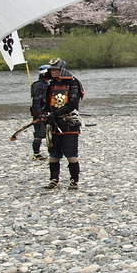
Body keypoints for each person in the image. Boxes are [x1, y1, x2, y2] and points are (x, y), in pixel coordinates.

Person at [40, 58, 84, 190]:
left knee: (71, 154)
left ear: (62, 70)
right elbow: (48, 102)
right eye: (52, 70)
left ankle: (74, 180)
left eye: (56, 70)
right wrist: (45, 113)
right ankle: (54, 180)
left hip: (69, 123)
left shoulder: (73, 83)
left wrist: (56, 114)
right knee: (53, 154)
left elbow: (73, 104)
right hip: (53, 124)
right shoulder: (52, 84)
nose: (53, 72)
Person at [28, 64, 50, 160]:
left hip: (46, 112)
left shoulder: (47, 84)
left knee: (50, 132)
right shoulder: (38, 85)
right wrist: (40, 114)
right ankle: (36, 154)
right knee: (39, 134)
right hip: (39, 113)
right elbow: (36, 101)